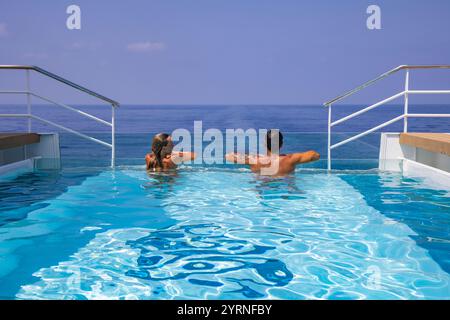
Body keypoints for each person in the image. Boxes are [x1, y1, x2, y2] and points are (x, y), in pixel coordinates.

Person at [225, 130, 320, 176]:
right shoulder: (290, 159)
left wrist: (253, 156)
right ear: (281, 144)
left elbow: (228, 156)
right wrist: (288, 156)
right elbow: (315, 155)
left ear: (265, 144)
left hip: (262, 189)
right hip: (285, 189)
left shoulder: (254, 160)